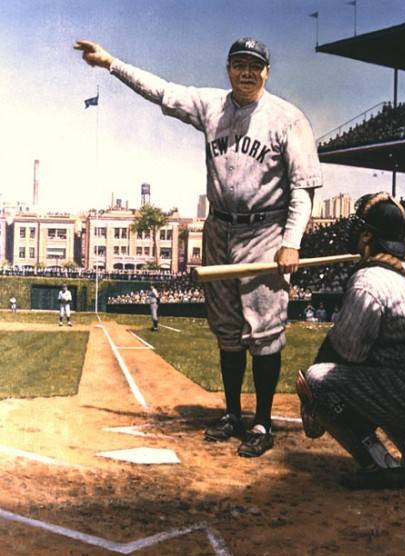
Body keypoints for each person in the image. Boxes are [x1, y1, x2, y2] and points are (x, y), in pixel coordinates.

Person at [74, 36, 322, 457]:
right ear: (228, 69)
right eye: (239, 64)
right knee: (227, 331)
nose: (246, 72)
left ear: (267, 72)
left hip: (264, 232)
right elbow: (161, 91)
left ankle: (261, 421)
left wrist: (291, 242)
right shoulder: (211, 105)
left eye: (254, 66)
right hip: (219, 231)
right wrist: (112, 64)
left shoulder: (287, 118)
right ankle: (232, 414)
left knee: (263, 332)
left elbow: (303, 188)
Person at [297, 193, 405, 490]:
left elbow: (345, 352)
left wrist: (315, 402)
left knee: (316, 378)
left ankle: (379, 464)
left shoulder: (369, 279)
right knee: (386, 376)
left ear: (367, 235)